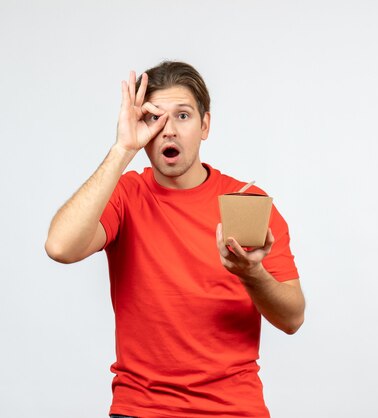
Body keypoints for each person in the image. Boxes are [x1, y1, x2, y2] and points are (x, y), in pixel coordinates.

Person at [45, 61, 305, 418]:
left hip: (233, 410)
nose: (168, 130)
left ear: (205, 126)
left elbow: (292, 318)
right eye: (155, 118)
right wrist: (122, 148)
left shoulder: (246, 202)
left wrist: (252, 274)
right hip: (140, 408)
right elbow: (60, 247)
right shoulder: (125, 196)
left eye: (183, 116)